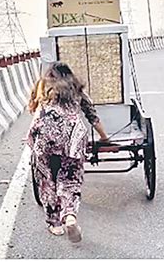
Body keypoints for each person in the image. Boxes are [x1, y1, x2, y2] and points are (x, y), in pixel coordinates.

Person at [27, 62, 108, 242]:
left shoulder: (42, 86)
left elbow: (32, 108)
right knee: (70, 179)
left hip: (45, 137)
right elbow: (92, 116)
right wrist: (104, 137)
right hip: (72, 137)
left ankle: (55, 224)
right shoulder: (76, 89)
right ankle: (70, 216)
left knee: (46, 181)